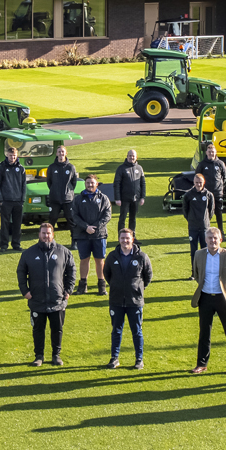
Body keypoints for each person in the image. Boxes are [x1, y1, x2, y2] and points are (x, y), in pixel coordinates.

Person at [18, 222, 76, 366]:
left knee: (57, 329)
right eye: (43, 233)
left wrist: (68, 290)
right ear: (39, 234)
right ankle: (39, 356)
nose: (46, 236)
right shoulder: (29, 253)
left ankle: (56, 355)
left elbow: (72, 270)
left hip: (57, 300)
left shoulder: (63, 252)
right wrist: (25, 291)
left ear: (53, 234)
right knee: (38, 330)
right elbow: (21, 272)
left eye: (48, 233)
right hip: (37, 300)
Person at [190, 227, 226, 375]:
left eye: (215, 238)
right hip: (205, 297)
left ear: (220, 240)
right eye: (210, 238)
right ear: (205, 240)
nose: (212, 241)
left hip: (223, 298)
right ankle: (201, 363)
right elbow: (197, 273)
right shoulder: (199, 254)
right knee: (204, 332)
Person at [102, 227, 152, 369]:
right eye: (122, 238)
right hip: (116, 300)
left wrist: (138, 288)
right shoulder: (112, 256)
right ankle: (114, 358)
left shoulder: (141, 257)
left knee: (136, 331)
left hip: (134, 301)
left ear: (132, 239)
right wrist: (116, 286)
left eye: (127, 238)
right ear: (119, 239)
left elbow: (148, 276)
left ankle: (139, 359)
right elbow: (107, 274)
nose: (125, 241)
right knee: (116, 330)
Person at [70, 174, 112, 294]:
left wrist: (95, 227)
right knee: (84, 259)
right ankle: (83, 286)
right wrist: (86, 227)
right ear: (85, 184)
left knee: (99, 260)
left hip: (99, 234)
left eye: (92, 183)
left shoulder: (103, 198)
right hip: (82, 234)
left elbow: (107, 215)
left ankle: (101, 286)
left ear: (96, 184)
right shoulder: (78, 199)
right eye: (88, 183)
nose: (90, 185)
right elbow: (74, 216)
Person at [0, 145, 28, 250]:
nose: (12, 158)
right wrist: (1, 199)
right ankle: (4, 245)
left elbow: (24, 185)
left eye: (14, 156)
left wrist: (22, 199)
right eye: (10, 155)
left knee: (17, 225)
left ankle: (16, 244)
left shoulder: (21, 168)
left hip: (18, 201)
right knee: (5, 225)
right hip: (6, 201)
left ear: (17, 156)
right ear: (7, 155)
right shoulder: (2, 167)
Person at [182, 172, 215, 257]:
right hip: (193, 227)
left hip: (204, 227)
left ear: (204, 182)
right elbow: (185, 210)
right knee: (194, 251)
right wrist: (191, 219)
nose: (198, 184)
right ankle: (194, 269)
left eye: (200, 182)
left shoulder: (209, 195)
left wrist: (206, 220)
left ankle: (204, 269)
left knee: (205, 250)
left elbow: (211, 210)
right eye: (197, 182)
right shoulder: (188, 195)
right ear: (194, 182)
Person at [46, 144, 80, 228]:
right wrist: (55, 190)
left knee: (71, 219)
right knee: (52, 219)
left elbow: (73, 182)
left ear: (66, 153)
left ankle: (74, 239)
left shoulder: (71, 167)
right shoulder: (51, 167)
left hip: (67, 199)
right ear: (56, 154)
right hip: (55, 199)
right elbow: (49, 182)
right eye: (59, 152)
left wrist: (68, 191)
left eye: (62, 152)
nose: (61, 153)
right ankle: (49, 239)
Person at [196, 146, 226, 233]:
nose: (211, 153)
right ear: (206, 152)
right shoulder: (202, 164)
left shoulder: (220, 163)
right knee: (206, 213)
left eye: (212, 151)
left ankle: (221, 232)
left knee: (219, 213)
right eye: (209, 152)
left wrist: (220, 187)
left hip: (217, 193)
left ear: (215, 152)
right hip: (205, 193)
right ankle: (205, 232)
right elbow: (197, 177)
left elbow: (224, 177)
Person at [113, 148, 146, 234]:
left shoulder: (139, 168)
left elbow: (143, 183)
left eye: (133, 156)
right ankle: (121, 237)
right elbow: (117, 184)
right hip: (124, 198)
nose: (131, 157)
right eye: (130, 156)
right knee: (122, 218)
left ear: (136, 157)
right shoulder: (121, 168)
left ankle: (132, 238)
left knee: (133, 218)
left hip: (135, 198)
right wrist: (117, 198)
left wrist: (142, 197)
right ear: (127, 156)